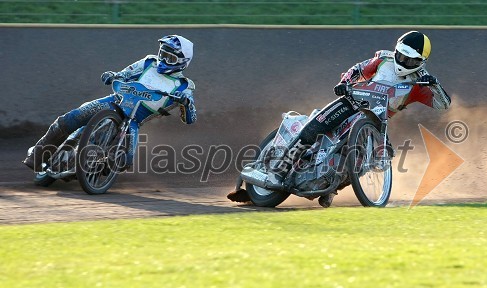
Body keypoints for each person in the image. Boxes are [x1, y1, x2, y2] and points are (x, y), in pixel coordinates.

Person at [237, 30, 451, 206]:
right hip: (351, 102)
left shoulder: (419, 83)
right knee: (315, 128)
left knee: (368, 160)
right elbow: (358, 69)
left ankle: (330, 187)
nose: (402, 61)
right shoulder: (383, 59)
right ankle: (278, 170)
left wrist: (434, 84)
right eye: (400, 55)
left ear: (420, 62)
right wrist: (345, 82)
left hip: (375, 121)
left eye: (409, 59)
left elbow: (444, 105)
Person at [23, 34, 197, 172]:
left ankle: (99, 170)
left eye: (170, 57)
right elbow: (124, 73)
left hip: (135, 121)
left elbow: (190, 119)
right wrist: (113, 75)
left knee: (125, 160)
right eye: (163, 54)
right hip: (113, 102)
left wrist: (186, 103)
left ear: (182, 62)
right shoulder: (148, 62)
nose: (164, 59)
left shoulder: (184, 86)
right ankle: (37, 155)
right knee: (70, 118)